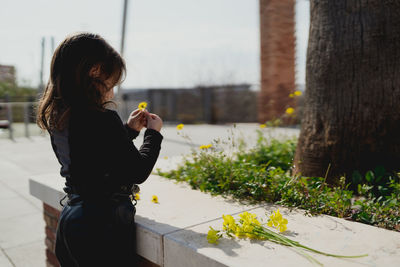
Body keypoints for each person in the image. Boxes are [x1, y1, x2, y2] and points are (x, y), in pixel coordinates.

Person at [36, 32, 163, 266]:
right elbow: (137, 171)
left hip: (72, 219)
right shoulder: (103, 119)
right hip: (102, 226)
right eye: (112, 83)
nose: (112, 92)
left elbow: (92, 154)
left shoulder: (60, 116)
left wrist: (130, 130)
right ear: (95, 71)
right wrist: (152, 135)